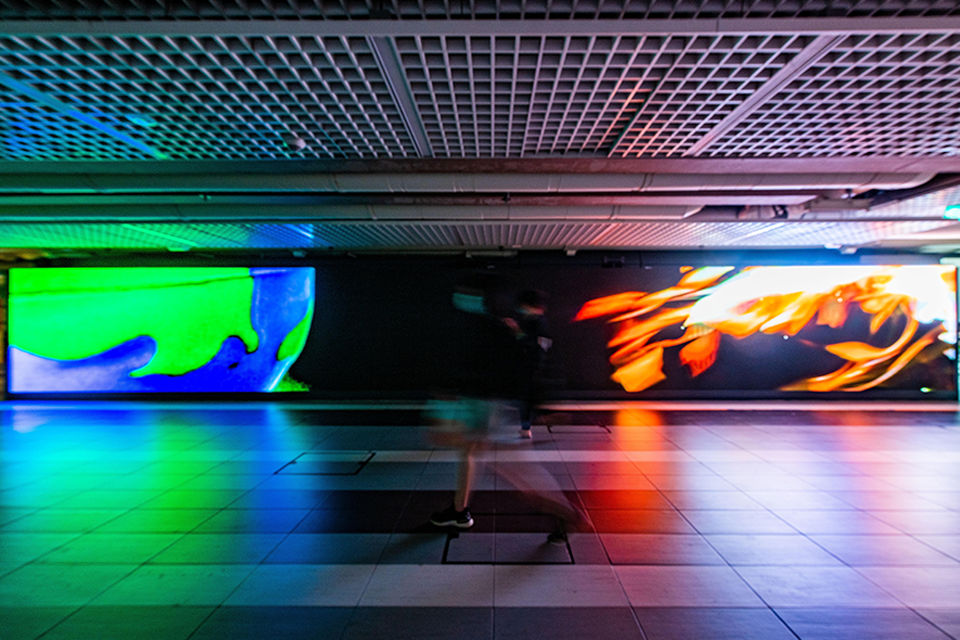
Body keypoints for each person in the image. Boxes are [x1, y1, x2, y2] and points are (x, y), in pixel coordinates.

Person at [428, 276, 583, 544]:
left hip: (493, 409)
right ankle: (459, 511)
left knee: (519, 470)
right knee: (473, 455)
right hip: (491, 405)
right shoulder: (501, 325)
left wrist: (445, 401)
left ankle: (569, 515)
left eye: (464, 290)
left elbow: (510, 367)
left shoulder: (490, 326)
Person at [514, 289, 552, 440]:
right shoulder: (537, 321)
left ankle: (527, 425)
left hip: (529, 364)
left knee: (526, 397)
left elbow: (532, 343)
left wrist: (516, 332)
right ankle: (528, 424)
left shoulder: (534, 322)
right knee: (527, 397)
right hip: (532, 364)